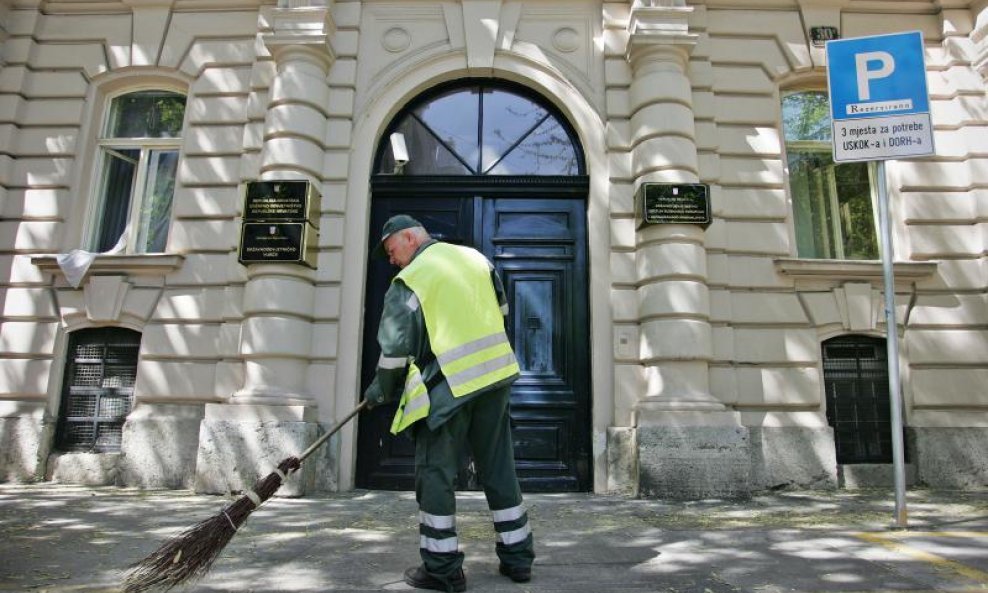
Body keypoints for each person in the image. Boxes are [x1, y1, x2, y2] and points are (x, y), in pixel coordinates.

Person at [362, 214, 535, 593]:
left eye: (392, 251)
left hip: (450, 386)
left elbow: (394, 353)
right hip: (495, 376)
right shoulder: (476, 259)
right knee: (498, 467)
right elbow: (502, 315)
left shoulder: (409, 280)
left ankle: (442, 569)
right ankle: (518, 558)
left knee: (435, 472)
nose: (392, 260)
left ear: (410, 238)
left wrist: (379, 392)